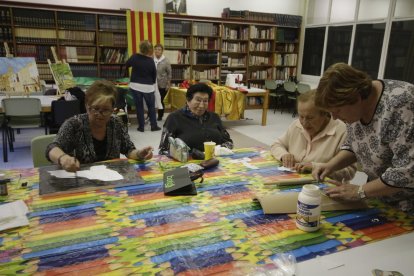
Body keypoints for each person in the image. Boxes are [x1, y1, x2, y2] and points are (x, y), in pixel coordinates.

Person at [312, 62, 414, 214]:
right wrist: (330, 165)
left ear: (357, 97)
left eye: (337, 111)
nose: (335, 118)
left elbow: (407, 172)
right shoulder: (355, 108)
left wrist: (359, 191)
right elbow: (356, 144)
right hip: (381, 195)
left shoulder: (402, 105)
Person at [46, 80, 154, 172]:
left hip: (110, 181)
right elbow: (51, 149)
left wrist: (140, 154)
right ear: (87, 106)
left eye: (106, 110)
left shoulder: (116, 122)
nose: (99, 114)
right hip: (81, 183)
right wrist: (63, 158)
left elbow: (129, 150)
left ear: (113, 109)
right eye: (95, 109)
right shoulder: (74, 124)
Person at [271, 89, 356, 181]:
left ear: (325, 114)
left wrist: (317, 167)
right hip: (292, 181)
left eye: (310, 118)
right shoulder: (296, 125)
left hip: (322, 187)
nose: (304, 123)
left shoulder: (342, 132)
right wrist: (284, 154)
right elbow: (276, 145)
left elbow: (349, 171)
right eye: (301, 116)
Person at [159, 83, 233, 155]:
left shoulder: (214, 117)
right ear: (188, 100)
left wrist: (219, 151)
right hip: (187, 163)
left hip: (215, 160)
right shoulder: (174, 118)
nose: (201, 105)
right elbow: (164, 150)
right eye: (198, 100)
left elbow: (228, 142)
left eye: (205, 101)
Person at [125, 40, 161, 132]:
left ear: (140, 48)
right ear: (149, 50)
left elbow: (127, 64)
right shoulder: (151, 61)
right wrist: (151, 82)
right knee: (151, 107)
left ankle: (141, 127)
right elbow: (154, 74)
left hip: (135, 86)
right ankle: (154, 126)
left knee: (139, 107)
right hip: (148, 87)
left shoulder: (134, 57)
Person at [154, 43, 172, 121]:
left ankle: (160, 116)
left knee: (160, 100)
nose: (157, 51)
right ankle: (150, 115)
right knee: (152, 101)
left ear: (162, 51)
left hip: (162, 84)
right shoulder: (151, 59)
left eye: (159, 49)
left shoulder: (166, 61)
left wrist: (168, 84)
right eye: (156, 49)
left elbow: (169, 73)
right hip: (153, 84)